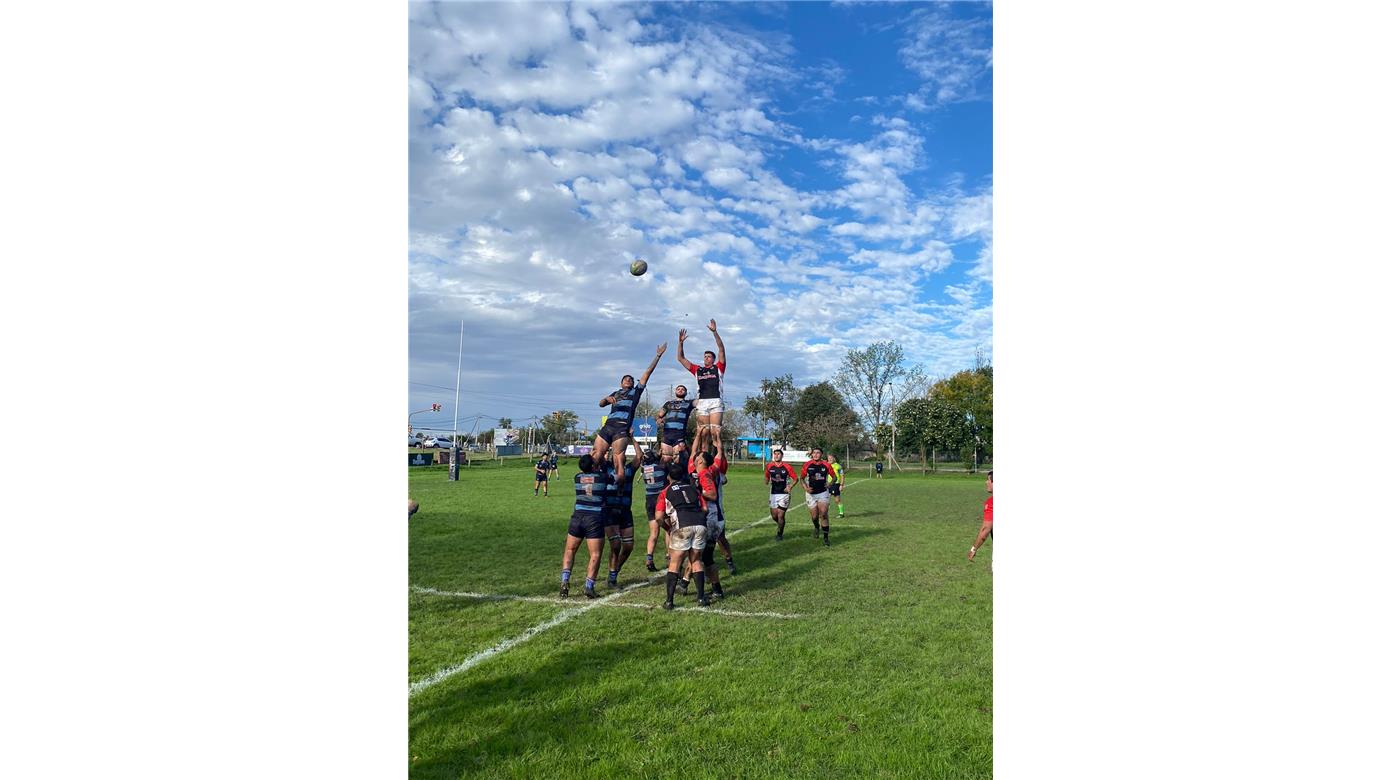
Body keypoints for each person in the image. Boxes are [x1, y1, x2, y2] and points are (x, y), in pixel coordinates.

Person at [592, 344, 667, 483]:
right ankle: (593, 485)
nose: (628, 379)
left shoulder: (635, 392)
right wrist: (605, 399)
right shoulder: (615, 393)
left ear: (633, 384)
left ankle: (619, 491)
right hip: (608, 426)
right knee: (596, 455)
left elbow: (647, 373)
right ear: (621, 383)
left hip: (621, 428)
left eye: (630, 379)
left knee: (618, 459)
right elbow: (601, 404)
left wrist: (658, 356)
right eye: (625, 378)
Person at [654, 462, 710, 609]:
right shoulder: (693, 489)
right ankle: (701, 599)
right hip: (700, 524)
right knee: (696, 560)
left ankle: (669, 601)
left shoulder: (665, 492)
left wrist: (668, 528)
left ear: (668, 477)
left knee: (675, 563)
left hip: (682, 527)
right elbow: (705, 508)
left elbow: (659, 517)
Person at [560, 454, 609, 599]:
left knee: (570, 550)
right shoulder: (602, 477)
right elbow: (616, 476)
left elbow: (591, 465)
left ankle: (564, 582)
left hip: (577, 517)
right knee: (595, 554)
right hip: (594, 518)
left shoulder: (577, 477)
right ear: (594, 466)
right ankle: (589, 587)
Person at [676, 319, 726, 449]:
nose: (706, 358)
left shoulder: (719, 368)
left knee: (715, 433)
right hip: (702, 402)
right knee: (704, 433)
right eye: (705, 356)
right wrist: (680, 343)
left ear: (714, 359)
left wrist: (715, 332)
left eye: (709, 356)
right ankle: (703, 462)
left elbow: (721, 348)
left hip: (715, 401)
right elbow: (680, 358)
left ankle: (719, 461)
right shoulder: (698, 370)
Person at [603, 439, 644, 588]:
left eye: (624, 454)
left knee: (628, 546)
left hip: (625, 512)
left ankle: (614, 571)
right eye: (619, 454)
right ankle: (612, 577)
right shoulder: (606, 468)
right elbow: (597, 455)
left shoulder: (628, 470)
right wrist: (607, 440)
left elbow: (639, 457)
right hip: (610, 511)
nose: (622, 456)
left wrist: (632, 439)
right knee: (615, 544)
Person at [639, 448, 669, 572]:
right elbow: (666, 464)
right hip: (660, 500)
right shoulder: (661, 468)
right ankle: (669, 555)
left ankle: (649, 558)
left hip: (649, 500)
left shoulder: (643, 469)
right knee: (669, 529)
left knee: (653, 533)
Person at [801, 447, 834, 546]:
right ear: (812, 454)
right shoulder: (807, 465)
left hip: (823, 493)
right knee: (814, 516)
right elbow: (801, 478)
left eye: (818, 453)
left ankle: (826, 538)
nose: (815, 454)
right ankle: (816, 527)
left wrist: (830, 483)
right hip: (810, 494)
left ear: (821, 454)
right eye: (814, 453)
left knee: (823, 513)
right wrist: (805, 488)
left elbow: (835, 476)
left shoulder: (826, 465)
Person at [655, 384, 696, 464]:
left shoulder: (689, 403)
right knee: (665, 460)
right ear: (675, 391)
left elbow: (701, 402)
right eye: (678, 389)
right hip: (666, 436)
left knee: (679, 461)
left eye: (683, 389)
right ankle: (663, 476)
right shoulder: (668, 403)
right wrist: (659, 419)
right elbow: (659, 415)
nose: (680, 390)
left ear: (686, 393)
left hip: (679, 437)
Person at [764, 450, 797, 539]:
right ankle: (781, 524)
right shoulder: (769, 466)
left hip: (784, 494)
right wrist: (766, 480)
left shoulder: (787, 466)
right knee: (774, 516)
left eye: (778, 454)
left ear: (782, 456)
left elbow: (795, 478)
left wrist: (790, 486)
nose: (776, 456)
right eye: (775, 454)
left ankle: (780, 534)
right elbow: (767, 476)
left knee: (780, 515)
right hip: (773, 493)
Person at [968, 471, 993, 561]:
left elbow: (986, 530)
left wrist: (974, 549)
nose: (986, 482)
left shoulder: (992, 503)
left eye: (988, 479)